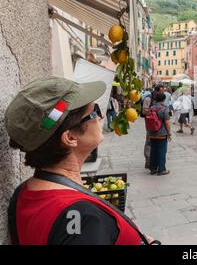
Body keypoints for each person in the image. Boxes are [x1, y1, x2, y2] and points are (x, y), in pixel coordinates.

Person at [5, 77, 154, 245]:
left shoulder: (25, 191)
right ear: (70, 137)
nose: (101, 116)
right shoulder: (82, 218)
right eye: (94, 111)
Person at [147, 92, 171, 176]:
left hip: (152, 133)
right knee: (161, 152)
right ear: (164, 99)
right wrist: (169, 133)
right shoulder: (164, 108)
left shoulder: (151, 108)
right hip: (161, 133)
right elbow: (167, 122)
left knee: (153, 151)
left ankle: (153, 169)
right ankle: (161, 170)